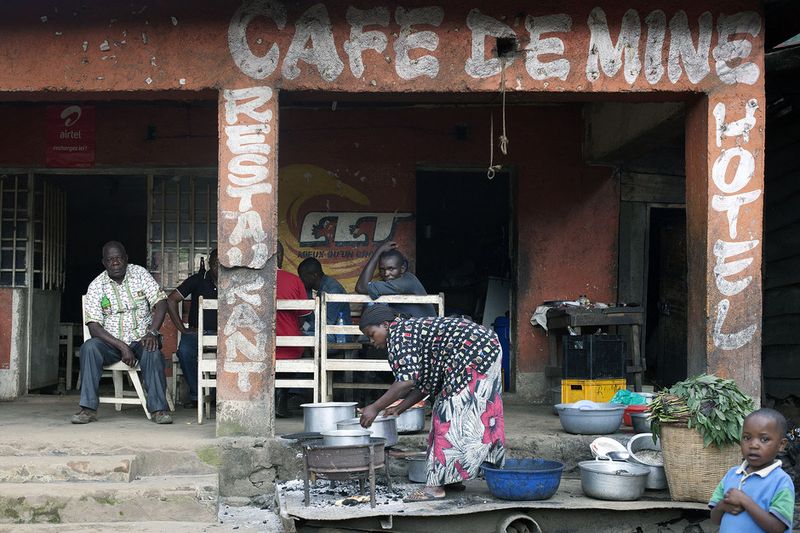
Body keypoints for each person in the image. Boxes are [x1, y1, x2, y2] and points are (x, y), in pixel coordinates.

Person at [358, 304, 505, 502]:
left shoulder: (398, 334)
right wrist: (400, 408)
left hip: (474, 350)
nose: (371, 341)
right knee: (472, 411)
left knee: (448, 414)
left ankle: (435, 488)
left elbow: (406, 381)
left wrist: (375, 408)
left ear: (385, 325)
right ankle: (452, 478)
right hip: (485, 346)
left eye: (372, 334)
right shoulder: (407, 331)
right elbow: (425, 383)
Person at [72, 241, 173, 425]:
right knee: (89, 348)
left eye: (119, 258)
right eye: (110, 259)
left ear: (126, 259)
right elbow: (93, 327)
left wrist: (152, 332)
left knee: (152, 351)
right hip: (111, 344)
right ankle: (88, 409)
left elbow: (161, 302)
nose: (115, 262)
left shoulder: (140, 274)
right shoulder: (97, 286)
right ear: (104, 262)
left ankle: (159, 410)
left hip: (142, 339)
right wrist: (122, 346)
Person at [709, 408, 794, 532]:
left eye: (764, 439)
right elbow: (715, 520)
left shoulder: (781, 481)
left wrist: (745, 501)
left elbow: (778, 528)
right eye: (747, 437)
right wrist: (722, 506)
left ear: (781, 445)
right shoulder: (732, 474)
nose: (753, 445)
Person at [166, 249, 218, 408]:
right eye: (215, 264)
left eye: (223, 264)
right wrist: (183, 329)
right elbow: (171, 300)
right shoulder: (198, 279)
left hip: (225, 334)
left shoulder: (234, 281)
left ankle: (217, 395)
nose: (219, 268)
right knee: (184, 351)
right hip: (197, 333)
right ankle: (198, 395)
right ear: (209, 264)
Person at [275, 241, 312, 417]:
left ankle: (275, 397)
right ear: (280, 257)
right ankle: (281, 396)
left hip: (257, 349)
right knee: (300, 346)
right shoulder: (294, 280)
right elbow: (303, 316)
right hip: (290, 346)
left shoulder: (250, 282)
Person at [355, 241, 435, 318]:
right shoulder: (391, 283)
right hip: (408, 324)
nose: (386, 273)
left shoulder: (407, 282)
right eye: (382, 269)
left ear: (402, 269)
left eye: (391, 269)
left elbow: (361, 288)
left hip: (424, 325)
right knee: (371, 301)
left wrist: (378, 251)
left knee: (372, 302)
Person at [297, 257, 351, 342]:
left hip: (338, 336)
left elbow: (326, 322)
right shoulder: (316, 288)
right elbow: (310, 317)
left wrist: (304, 327)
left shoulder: (333, 290)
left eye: (303, 277)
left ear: (314, 275)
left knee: (299, 336)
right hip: (325, 332)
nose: (300, 280)